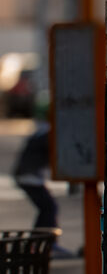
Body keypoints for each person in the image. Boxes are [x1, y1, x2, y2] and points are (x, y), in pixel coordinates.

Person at [11, 100, 63, 241]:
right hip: (30, 176)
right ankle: (42, 241)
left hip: (28, 175)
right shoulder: (48, 133)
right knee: (49, 207)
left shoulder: (42, 130)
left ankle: (40, 240)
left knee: (48, 207)